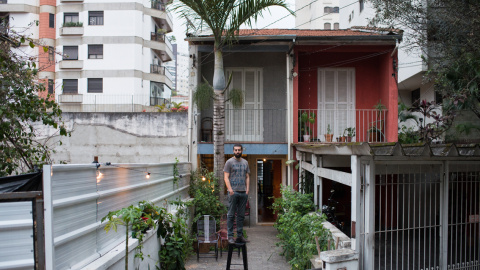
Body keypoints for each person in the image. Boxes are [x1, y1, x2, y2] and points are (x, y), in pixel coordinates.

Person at [223, 144, 250, 244]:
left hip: (243, 192)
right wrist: (230, 190)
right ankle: (230, 236)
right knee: (231, 215)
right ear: (233, 151)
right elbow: (226, 177)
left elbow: (247, 176)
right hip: (233, 192)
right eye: (236, 150)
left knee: (241, 215)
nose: (237, 151)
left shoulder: (245, 162)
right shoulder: (229, 162)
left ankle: (239, 236)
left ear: (242, 150)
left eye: (239, 150)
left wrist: (247, 190)